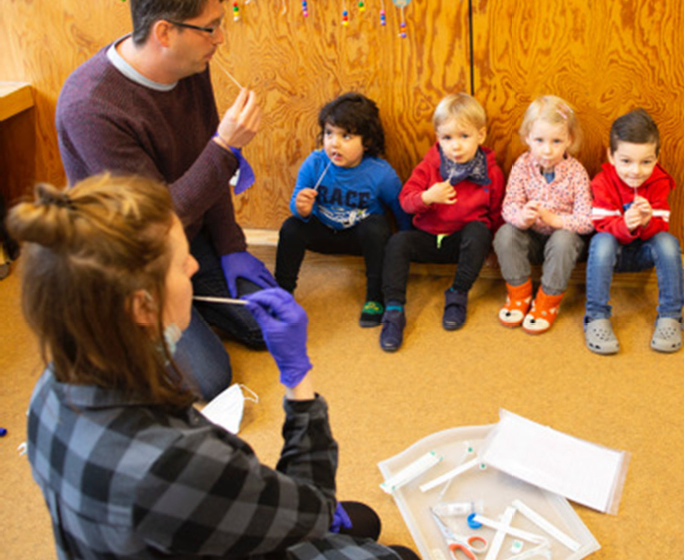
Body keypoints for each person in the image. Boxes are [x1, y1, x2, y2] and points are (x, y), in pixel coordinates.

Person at [8, 174, 418, 560]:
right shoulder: (175, 465)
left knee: (364, 519)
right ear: (140, 305)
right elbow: (315, 507)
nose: (194, 267)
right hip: (194, 516)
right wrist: (297, 378)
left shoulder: (53, 384)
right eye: (179, 261)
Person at [55, 0, 275, 400]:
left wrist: (231, 246)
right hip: (130, 258)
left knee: (271, 324)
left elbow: (204, 164)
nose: (221, 37)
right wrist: (225, 148)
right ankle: (129, 322)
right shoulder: (91, 106)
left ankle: (190, 302)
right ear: (164, 32)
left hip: (185, 239)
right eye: (210, 27)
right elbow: (156, 218)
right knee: (210, 380)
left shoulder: (190, 63)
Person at [379, 93, 505, 352]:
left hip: (463, 244)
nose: (456, 146)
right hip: (427, 238)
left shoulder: (491, 172)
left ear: (481, 135)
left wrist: (492, 248)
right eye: (447, 138)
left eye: (464, 136)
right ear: (438, 138)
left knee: (479, 230)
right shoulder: (429, 166)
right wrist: (427, 197)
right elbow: (405, 201)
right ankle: (393, 310)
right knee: (397, 242)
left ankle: (458, 295)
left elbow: (497, 213)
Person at [275, 93, 410, 326]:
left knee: (377, 226)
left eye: (345, 136)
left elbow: (401, 211)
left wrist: (406, 245)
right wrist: (301, 208)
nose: (334, 143)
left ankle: (374, 297)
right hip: (323, 233)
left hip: (360, 239)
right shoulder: (315, 163)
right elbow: (296, 205)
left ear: (366, 142)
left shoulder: (381, 173)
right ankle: (282, 294)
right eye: (329, 133)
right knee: (291, 227)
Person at [584, 108, 684, 355]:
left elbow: (662, 224)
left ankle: (671, 316)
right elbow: (601, 225)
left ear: (657, 157)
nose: (636, 171)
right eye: (626, 161)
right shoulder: (602, 182)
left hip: (643, 253)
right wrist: (626, 224)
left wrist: (648, 221)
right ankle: (596, 316)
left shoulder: (659, 181)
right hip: (612, 255)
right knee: (602, 241)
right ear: (611, 155)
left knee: (668, 242)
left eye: (646, 162)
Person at [494, 96, 593, 334]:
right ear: (528, 137)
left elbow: (588, 220)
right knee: (505, 234)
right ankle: (519, 294)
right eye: (539, 140)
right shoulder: (522, 165)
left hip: (563, 243)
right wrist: (522, 217)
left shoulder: (576, 172)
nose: (547, 150)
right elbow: (509, 207)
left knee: (564, 239)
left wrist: (556, 221)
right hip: (531, 237)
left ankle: (548, 300)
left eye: (556, 141)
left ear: (569, 140)